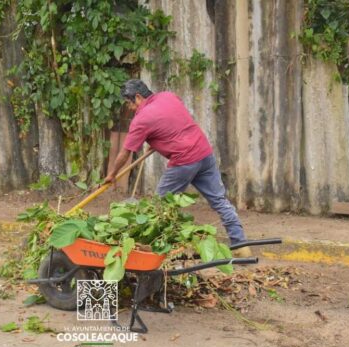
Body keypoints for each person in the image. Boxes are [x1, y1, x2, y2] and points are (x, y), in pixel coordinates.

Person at [104, 79, 251, 257]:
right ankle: (241, 245)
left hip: (184, 161)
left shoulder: (141, 119)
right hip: (204, 153)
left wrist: (112, 174)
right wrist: (158, 140)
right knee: (219, 200)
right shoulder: (168, 96)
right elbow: (173, 121)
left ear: (138, 97)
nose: (130, 108)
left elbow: (125, 153)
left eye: (129, 103)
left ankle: (157, 250)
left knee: (159, 207)